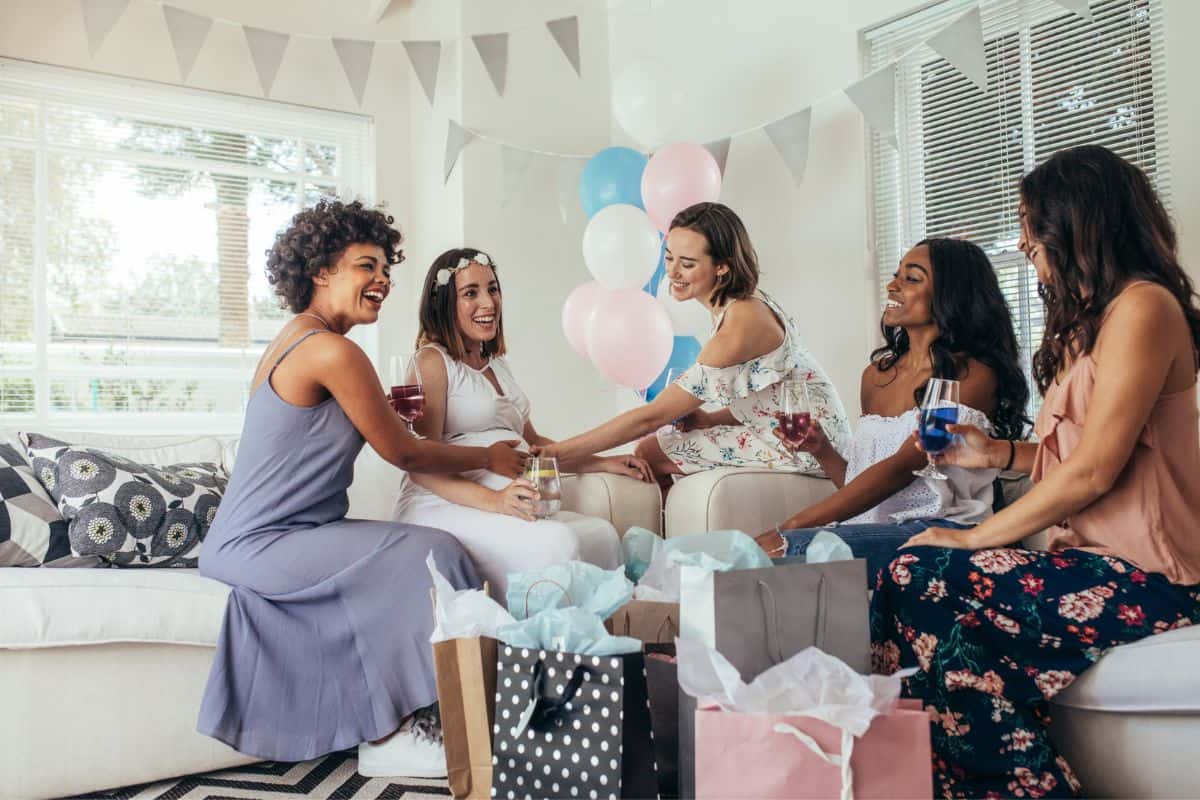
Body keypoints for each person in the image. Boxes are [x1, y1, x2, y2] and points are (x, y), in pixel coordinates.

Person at [872, 145, 1200, 797]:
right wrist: (994, 454)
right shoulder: (1093, 327)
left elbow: (1095, 471)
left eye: (1032, 228)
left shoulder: (1145, 308)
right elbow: (1077, 456)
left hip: (1154, 576)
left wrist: (970, 537)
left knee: (922, 574)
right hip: (1090, 563)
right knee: (904, 577)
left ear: (1078, 224)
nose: (1025, 246)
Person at [198, 201, 527, 779]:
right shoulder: (331, 350)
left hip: (295, 534)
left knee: (418, 549)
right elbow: (403, 452)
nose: (382, 281)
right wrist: (490, 456)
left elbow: (395, 435)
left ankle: (432, 720)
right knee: (433, 552)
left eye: (385, 269)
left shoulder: (302, 339)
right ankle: (402, 731)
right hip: (261, 542)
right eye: (365, 267)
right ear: (321, 272)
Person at [754, 238, 1030, 579]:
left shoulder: (973, 375)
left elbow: (901, 469)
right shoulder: (875, 376)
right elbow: (867, 486)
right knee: (764, 553)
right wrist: (824, 451)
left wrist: (794, 526)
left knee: (786, 549)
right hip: (877, 527)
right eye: (896, 275)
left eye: (911, 279)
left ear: (951, 294)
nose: (892, 285)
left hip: (943, 529)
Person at [393, 248, 651, 597]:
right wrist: (495, 500)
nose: (488, 302)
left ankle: (602, 645)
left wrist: (602, 462)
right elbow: (422, 466)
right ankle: (547, 645)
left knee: (602, 535)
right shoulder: (432, 362)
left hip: (506, 499)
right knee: (556, 544)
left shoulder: (496, 364)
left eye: (493, 289)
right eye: (471, 293)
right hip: (444, 504)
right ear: (444, 303)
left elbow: (534, 446)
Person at [536, 202, 849, 487]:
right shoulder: (744, 306)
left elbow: (650, 417)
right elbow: (770, 398)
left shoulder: (737, 328)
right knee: (658, 443)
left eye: (686, 263)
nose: (672, 272)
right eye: (669, 257)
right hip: (807, 432)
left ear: (722, 266)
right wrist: (712, 419)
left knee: (649, 450)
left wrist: (555, 452)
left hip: (810, 445)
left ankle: (669, 545)